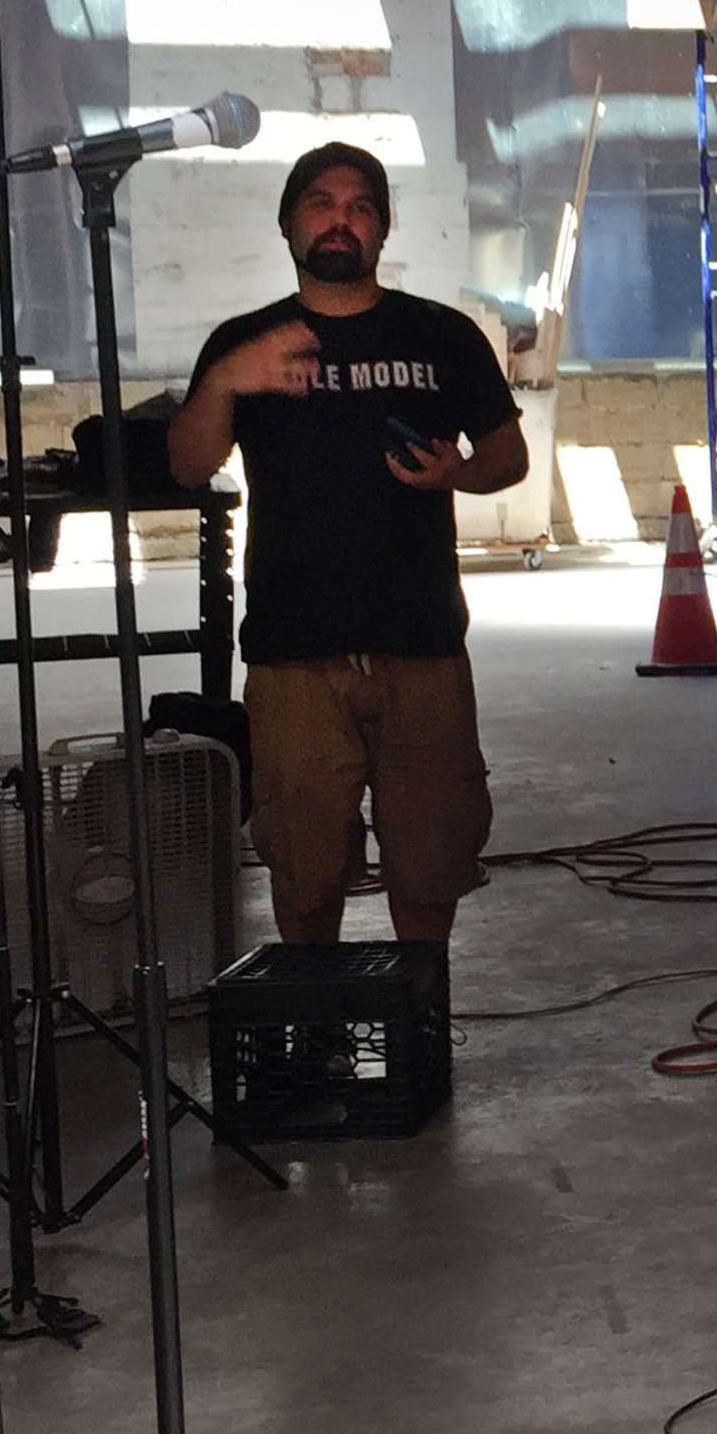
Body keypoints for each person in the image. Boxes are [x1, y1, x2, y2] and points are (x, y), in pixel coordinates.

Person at [169, 145, 527, 948]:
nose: (340, 219)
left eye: (360, 206)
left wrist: (458, 473)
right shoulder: (244, 342)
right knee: (303, 876)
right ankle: (317, 1038)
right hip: (296, 657)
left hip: (422, 647)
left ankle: (419, 1035)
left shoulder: (441, 335)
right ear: (290, 223)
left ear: (382, 227)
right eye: (321, 203)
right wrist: (227, 382)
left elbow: (510, 456)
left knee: (432, 867)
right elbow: (190, 464)